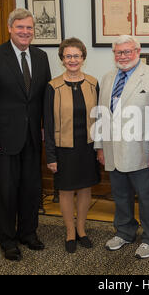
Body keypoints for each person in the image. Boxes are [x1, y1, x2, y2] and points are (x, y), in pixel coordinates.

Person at [0, 8, 51, 261]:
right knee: (5, 191)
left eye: (29, 28)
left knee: (31, 188)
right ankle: (7, 241)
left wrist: (43, 128)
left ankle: (28, 233)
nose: (25, 32)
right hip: (1, 140)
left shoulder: (41, 56)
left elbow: (43, 98)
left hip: (31, 138)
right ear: (10, 28)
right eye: (20, 27)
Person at [95, 35, 149, 259]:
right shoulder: (108, 77)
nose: (123, 56)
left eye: (128, 51)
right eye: (119, 52)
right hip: (113, 149)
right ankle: (125, 232)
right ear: (114, 54)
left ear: (138, 52)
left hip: (142, 150)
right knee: (120, 195)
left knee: (147, 196)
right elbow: (102, 114)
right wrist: (100, 146)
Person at [44, 38, 100, 253]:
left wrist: (100, 148)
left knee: (86, 188)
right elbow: (47, 124)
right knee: (66, 190)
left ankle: (81, 229)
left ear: (83, 58)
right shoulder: (52, 87)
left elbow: (100, 118)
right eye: (68, 56)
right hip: (63, 148)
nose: (73, 60)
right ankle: (69, 232)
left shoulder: (93, 83)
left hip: (87, 146)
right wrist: (51, 156)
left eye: (76, 56)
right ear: (62, 59)